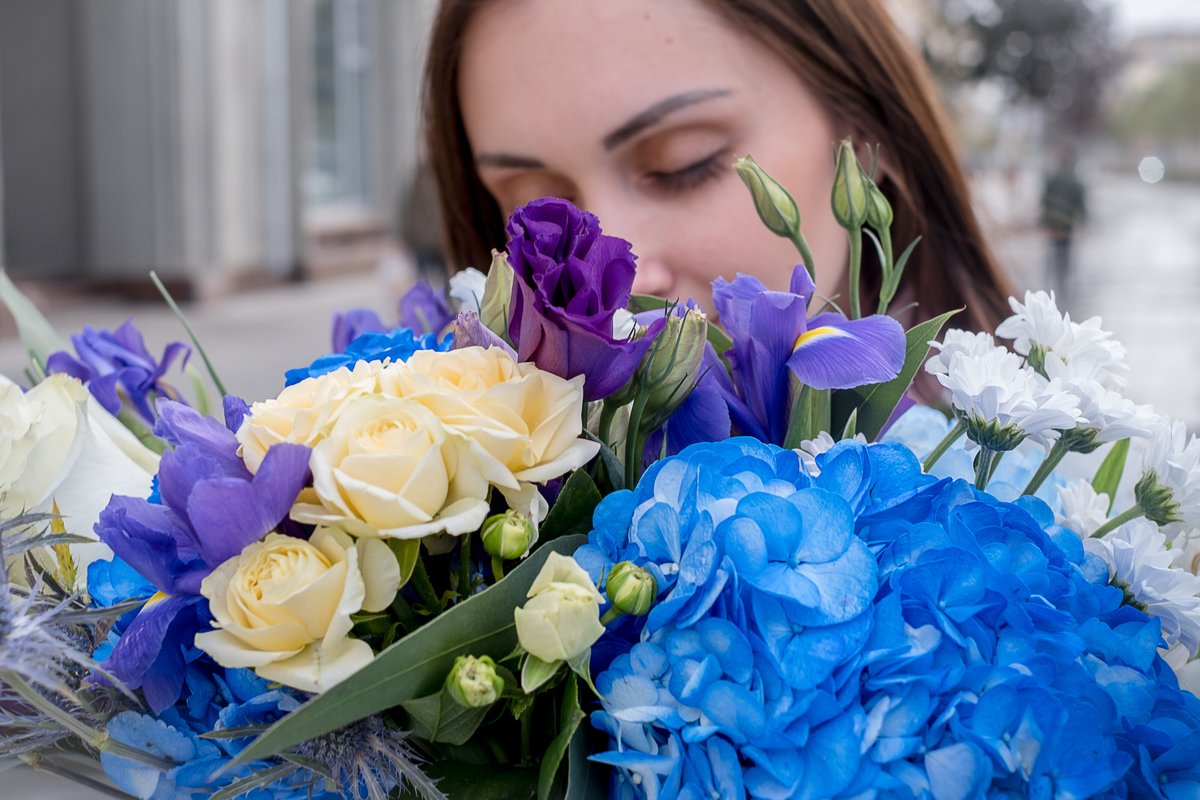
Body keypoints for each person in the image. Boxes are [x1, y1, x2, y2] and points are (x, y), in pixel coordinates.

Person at [422, 0, 1015, 335]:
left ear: (862, 136)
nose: (617, 288)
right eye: (537, 200)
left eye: (682, 166)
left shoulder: (1040, 488)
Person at [1039, 151, 1087, 300]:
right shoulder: (1075, 181)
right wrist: (1083, 221)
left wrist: (1044, 218)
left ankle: (1050, 277)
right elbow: (1081, 203)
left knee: (1053, 249)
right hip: (1067, 223)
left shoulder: (1053, 179)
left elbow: (1044, 199)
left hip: (1053, 222)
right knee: (1065, 252)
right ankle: (1062, 279)